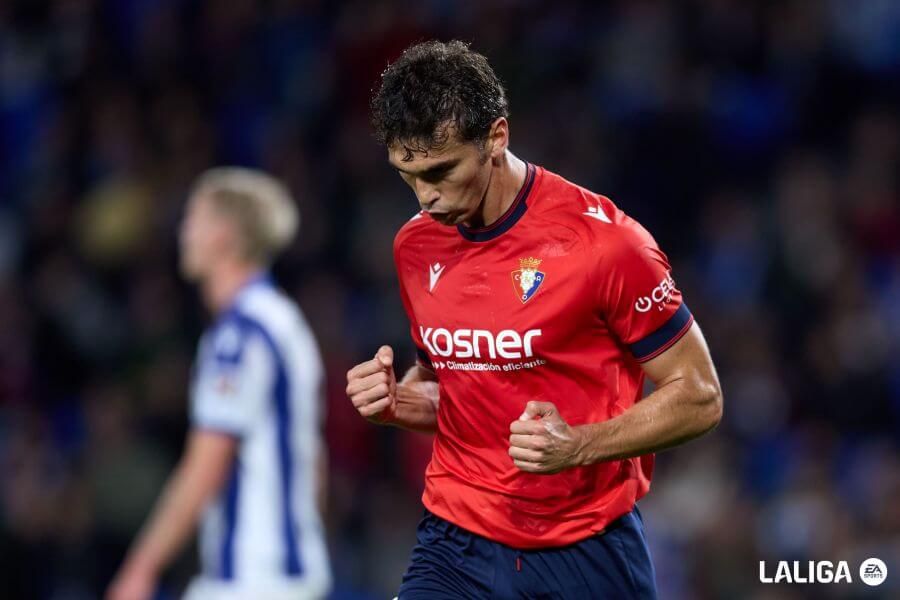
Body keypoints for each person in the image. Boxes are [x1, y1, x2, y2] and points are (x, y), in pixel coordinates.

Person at [346, 40, 723, 599]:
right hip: (454, 541)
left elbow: (700, 395)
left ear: (497, 137)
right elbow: (451, 384)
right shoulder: (415, 246)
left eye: (442, 170)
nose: (426, 197)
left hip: (586, 546)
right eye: (408, 173)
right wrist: (399, 401)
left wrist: (579, 446)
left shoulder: (608, 245)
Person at [108, 168, 331, 600]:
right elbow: (313, 461)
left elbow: (206, 463)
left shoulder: (239, 334)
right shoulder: (285, 321)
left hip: (252, 578)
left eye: (194, 218)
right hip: (291, 569)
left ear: (224, 234)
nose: (183, 231)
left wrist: (141, 568)